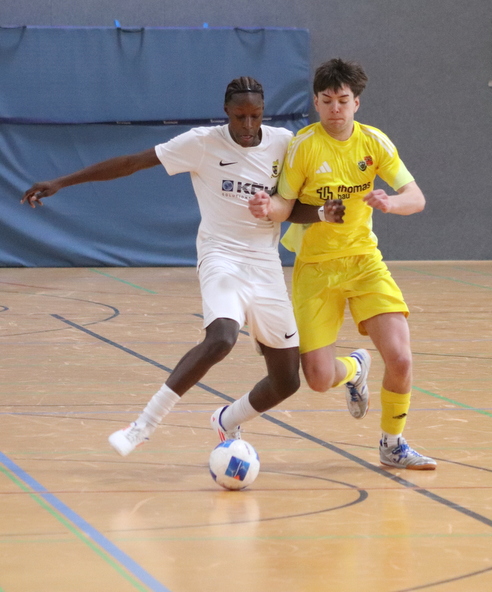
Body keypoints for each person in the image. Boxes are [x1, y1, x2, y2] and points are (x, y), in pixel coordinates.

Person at [21, 77, 327, 456]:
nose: (248, 125)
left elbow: (293, 208)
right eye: (240, 116)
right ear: (226, 112)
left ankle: (226, 419)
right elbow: (132, 163)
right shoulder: (202, 143)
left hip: (265, 264)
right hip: (221, 256)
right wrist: (61, 182)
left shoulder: (284, 143)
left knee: (286, 382)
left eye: (256, 116)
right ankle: (142, 426)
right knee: (222, 338)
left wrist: (325, 212)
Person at [249, 58, 436, 470]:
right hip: (316, 268)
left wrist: (390, 203)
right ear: (316, 102)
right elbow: (284, 205)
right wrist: (267, 207)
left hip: (364, 261)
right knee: (317, 379)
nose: (336, 108)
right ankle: (354, 368)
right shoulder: (303, 146)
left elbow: (416, 198)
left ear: (356, 103)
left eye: (343, 100)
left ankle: (393, 443)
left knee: (401, 358)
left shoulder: (374, 143)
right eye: (328, 100)